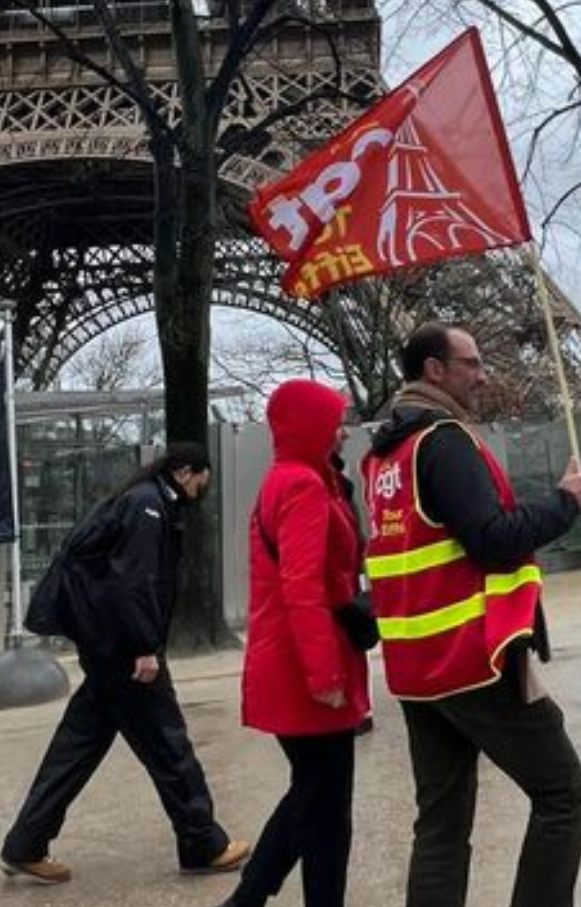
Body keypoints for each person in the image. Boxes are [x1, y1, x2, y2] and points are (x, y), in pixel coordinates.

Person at [365, 323, 581, 907]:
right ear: (435, 370)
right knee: (563, 794)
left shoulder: (383, 457)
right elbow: (492, 540)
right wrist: (565, 501)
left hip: (417, 666)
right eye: (471, 362)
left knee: (441, 825)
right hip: (474, 656)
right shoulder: (443, 441)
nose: (483, 373)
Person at [0, 444, 251, 886]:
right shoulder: (149, 507)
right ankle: (202, 843)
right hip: (123, 650)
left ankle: (25, 844)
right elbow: (134, 581)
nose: (201, 490)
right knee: (169, 746)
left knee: (75, 748)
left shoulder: (138, 499)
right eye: (201, 480)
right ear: (186, 472)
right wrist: (144, 647)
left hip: (103, 646)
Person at [228, 380, 371, 907]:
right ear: (310, 424)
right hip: (305, 664)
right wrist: (325, 675)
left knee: (314, 795)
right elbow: (303, 586)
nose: (341, 428)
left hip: (289, 658)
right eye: (334, 418)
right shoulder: (305, 487)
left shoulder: (291, 479)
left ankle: (249, 898)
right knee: (326, 805)